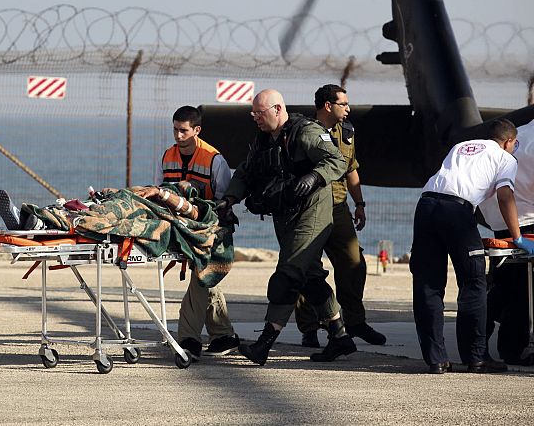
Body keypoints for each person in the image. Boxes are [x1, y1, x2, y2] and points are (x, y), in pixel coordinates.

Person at [219, 89, 355, 365]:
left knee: (288, 274)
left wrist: (315, 176)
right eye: (253, 113)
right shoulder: (263, 140)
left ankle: (264, 343)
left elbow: (337, 161)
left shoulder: (305, 132)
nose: (254, 118)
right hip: (285, 214)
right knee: (310, 276)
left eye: (260, 113)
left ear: (278, 109)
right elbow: (246, 172)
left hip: (312, 213)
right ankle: (340, 337)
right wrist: (230, 199)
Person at [410, 119, 534, 374]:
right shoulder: (505, 158)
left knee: (428, 285)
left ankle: (436, 360)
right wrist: (517, 237)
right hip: (457, 211)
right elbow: (505, 195)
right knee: (474, 283)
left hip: (425, 206)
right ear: (509, 141)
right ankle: (476, 357)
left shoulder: (462, 146)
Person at [294, 85, 386, 348]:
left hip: (338, 207)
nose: (348, 108)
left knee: (354, 263)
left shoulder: (347, 132)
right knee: (307, 268)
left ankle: (355, 322)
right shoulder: (304, 131)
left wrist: (360, 203)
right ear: (327, 106)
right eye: (343, 104)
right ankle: (310, 327)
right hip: (309, 209)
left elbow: (351, 169)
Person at [160, 106, 239, 361]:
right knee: (206, 278)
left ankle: (187, 340)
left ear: (197, 130)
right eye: (175, 129)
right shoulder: (166, 156)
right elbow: (158, 191)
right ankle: (223, 335)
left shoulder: (214, 159)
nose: (178, 135)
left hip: (210, 229)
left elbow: (225, 202)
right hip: (182, 229)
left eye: (183, 130)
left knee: (200, 277)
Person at [478, 118, 534, 365]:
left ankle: (479, 339)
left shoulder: (517, 134)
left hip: (499, 222)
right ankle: (511, 347)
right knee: (523, 290)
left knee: (504, 287)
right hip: (526, 219)